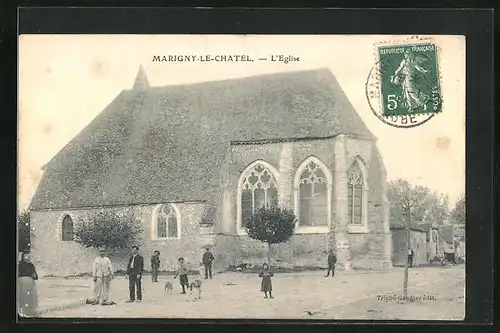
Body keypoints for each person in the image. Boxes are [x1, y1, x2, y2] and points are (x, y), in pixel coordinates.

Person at [18, 251, 39, 317]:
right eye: (26, 257)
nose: (28, 258)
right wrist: (29, 274)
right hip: (22, 284)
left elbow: (36, 276)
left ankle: (31, 311)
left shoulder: (31, 265)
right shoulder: (19, 265)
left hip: (31, 284)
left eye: (29, 257)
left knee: (31, 298)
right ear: (23, 257)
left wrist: (34, 275)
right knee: (23, 297)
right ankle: (23, 312)